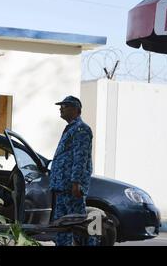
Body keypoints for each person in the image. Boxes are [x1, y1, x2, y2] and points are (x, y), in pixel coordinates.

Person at [49, 96, 94, 246]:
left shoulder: (81, 129)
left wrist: (76, 183)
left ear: (76, 109)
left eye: (65, 106)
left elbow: (80, 158)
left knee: (79, 224)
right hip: (62, 187)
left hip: (71, 187)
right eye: (61, 105)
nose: (61, 108)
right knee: (62, 226)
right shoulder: (71, 129)